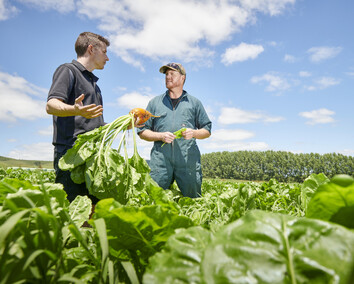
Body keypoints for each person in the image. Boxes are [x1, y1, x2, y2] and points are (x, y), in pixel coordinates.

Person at [46, 32, 110, 203]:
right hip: (71, 155)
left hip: (91, 156)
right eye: (104, 52)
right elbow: (51, 105)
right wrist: (75, 110)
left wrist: (120, 125)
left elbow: (93, 121)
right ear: (91, 49)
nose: (107, 58)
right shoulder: (67, 70)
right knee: (73, 212)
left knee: (91, 212)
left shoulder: (94, 85)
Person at [138, 62, 212, 198]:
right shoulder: (154, 103)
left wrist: (194, 133)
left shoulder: (194, 103)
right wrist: (160, 136)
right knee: (154, 200)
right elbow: (143, 132)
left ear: (182, 78)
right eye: (166, 74)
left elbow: (207, 130)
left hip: (187, 161)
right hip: (160, 162)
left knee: (193, 200)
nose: (168, 77)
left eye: (172, 74)